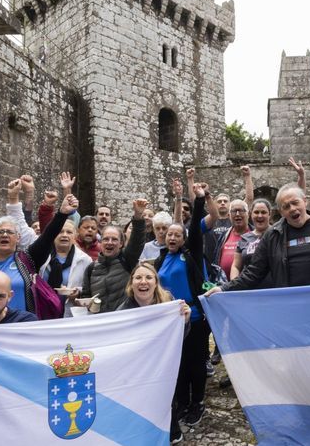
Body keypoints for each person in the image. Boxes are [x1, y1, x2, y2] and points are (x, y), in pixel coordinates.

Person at [0, 188, 78, 318]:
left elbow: (47, 237)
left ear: (18, 238)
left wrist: (62, 214)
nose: (5, 235)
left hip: (23, 330)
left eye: (10, 232)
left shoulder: (28, 260)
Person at [207, 183, 310, 293]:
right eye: (286, 206)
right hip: (289, 306)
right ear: (280, 211)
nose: (292, 208)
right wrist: (224, 288)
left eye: (295, 202)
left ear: (305, 201)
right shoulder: (272, 235)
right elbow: (254, 272)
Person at [153, 185, 213, 427]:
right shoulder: (159, 258)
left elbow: (197, 228)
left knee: (195, 361)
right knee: (176, 363)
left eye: (178, 234)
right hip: (169, 320)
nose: (172, 237)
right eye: (169, 234)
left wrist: (198, 201)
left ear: (185, 238)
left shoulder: (191, 255)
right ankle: (181, 402)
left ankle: (197, 402)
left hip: (194, 317)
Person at [116, 262, 192, 443]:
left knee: (166, 398)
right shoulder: (122, 311)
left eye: (148, 277)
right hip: (137, 368)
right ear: (131, 283)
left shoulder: (169, 303)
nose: (143, 282)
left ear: (156, 282)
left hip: (163, 364)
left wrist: (185, 321)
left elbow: (179, 337)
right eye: (138, 277)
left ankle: (173, 432)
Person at [77, 199, 147, 313]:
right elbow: (86, 296)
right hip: (101, 323)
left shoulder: (127, 259)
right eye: (106, 239)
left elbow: (137, 241)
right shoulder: (91, 268)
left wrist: (138, 216)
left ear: (121, 244)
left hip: (124, 320)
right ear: (101, 242)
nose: (109, 242)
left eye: (114, 239)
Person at [39, 220, 92, 317]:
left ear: (75, 236)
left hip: (70, 313)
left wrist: (77, 292)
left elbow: (89, 288)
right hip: (44, 310)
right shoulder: (42, 255)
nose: (64, 235)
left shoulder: (85, 260)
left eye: (69, 232)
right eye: (60, 231)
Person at [230, 199, 273, 281]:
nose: (260, 215)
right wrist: (234, 285)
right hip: (248, 288)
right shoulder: (244, 238)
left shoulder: (277, 234)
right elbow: (236, 266)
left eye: (263, 212)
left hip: (274, 288)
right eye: (256, 212)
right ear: (250, 214)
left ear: (269, 214)